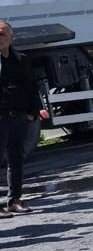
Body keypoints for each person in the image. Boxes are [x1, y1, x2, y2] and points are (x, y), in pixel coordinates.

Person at [0, 20, 40, 217]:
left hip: (19, 117)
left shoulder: (22, 59)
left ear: (11, 37)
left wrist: (33, 112)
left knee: (16, 160)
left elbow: (32, 87)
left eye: (2, 34)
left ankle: (14, 200)